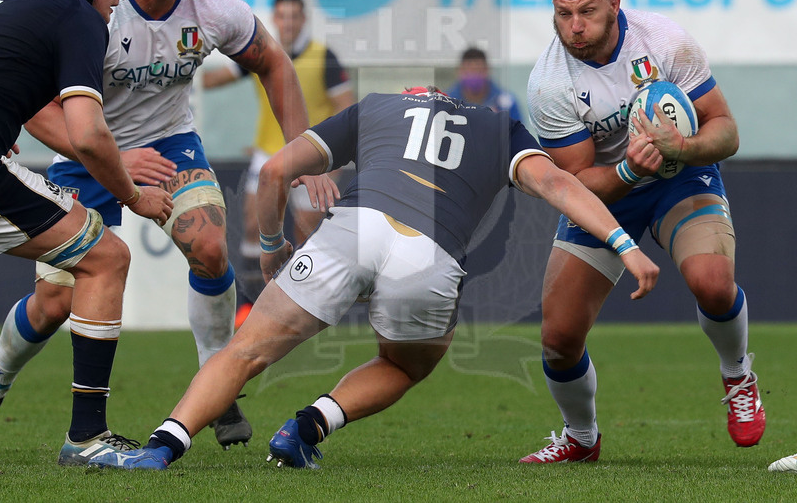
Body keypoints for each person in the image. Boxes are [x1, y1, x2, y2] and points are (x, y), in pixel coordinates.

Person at [86, 85, 659, 471]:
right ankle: (307, 428)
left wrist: (271, 249)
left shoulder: (378, 106)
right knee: (404, 364)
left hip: (349, 232)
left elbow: (278, 171)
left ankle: (161, 447)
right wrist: (625, 246)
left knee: (243, 351)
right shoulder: (498, 126)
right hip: (428, 256)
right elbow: (561, 186)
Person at [2, 0, 317, 453]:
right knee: (54, 302)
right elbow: (35, 108)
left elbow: (273, 61)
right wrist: (118, 160)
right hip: (88, 153)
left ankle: (215, 383)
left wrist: (301, 153)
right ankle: (2, 374)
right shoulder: (95, 9)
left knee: (212, 245)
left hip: (172, 147)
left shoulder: (211, 9)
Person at [519, 0, 763, 464]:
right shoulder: (548, 83)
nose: (575, 27)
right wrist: (628, 172)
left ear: (614, 5)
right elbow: (575, 183)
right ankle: (581, 437)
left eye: (587, 12)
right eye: (563, 15)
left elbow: (727, 132)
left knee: (713, 282)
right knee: (558, 337)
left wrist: (686, 146)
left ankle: (737, 372)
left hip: (679, 176)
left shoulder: (665, 41)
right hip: (607, 193)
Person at [0, 0, 172, 465]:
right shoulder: (76, 14)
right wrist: (134, 194)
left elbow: (30, 107)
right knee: (106, 257)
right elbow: (89, 133)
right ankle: (87, 437)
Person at [204, 0, 354, 307]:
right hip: (267, 152)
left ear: (303, 20)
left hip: (311, 155)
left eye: (293, 17)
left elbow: (346, 107)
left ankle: (305, 304)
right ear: (275, 20)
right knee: (251, 223)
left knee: (307, 229)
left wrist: (336, 158)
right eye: (282, 17)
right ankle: (251, 302)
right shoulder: (261, 53)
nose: (287, 23)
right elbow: (212, 80)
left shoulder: (323, 57)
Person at [447, 47, 522, 120]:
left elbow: (518, 130)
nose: (474, 75)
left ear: (487, 70)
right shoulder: (447, 102)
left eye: (478, 70)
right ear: (459, 71)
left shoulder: (507, 103)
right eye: (469, 71)